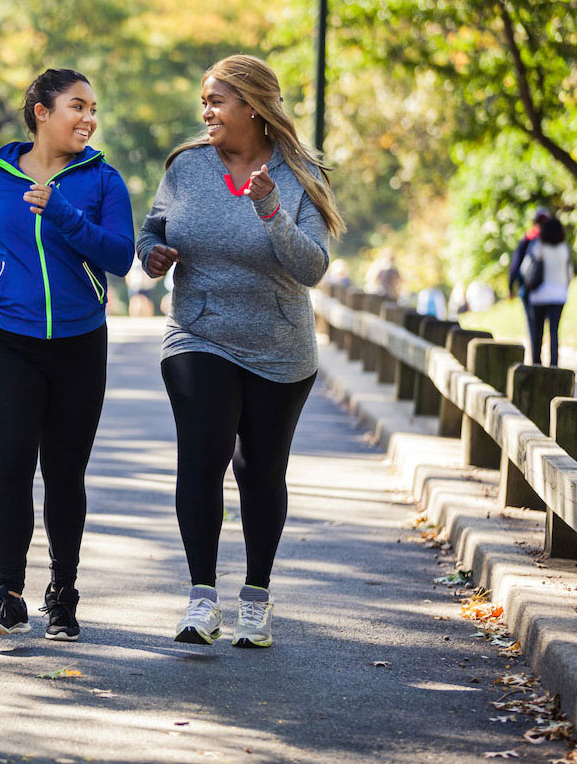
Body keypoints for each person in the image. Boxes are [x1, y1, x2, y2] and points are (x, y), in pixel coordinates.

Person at [138, 54, 345, 648]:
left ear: (252, 106)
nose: (206, 111)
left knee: (259, 470)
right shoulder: (187, 166)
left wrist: (272, 210)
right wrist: (151, 253)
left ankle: (255, 597)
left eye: (217, 101)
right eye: (203, 100)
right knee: (201, 455)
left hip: (278, 345)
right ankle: (201, 598)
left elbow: (312, 269)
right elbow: (154, 228)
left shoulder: (302, 173)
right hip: (197, 332)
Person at [0, 69, 134, 640]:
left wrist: (64, 214)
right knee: (12, 469)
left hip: (79, 343)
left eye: (94, 108)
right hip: (6, 341)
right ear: (42, 112)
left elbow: (120, 257)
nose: (89, 118)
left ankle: (63, 595)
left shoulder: (102, 180)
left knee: (66, 475)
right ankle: (8, 594)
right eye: (78, 105)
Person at [527, 216, 572, 366]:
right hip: (559, 295)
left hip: (539, 295)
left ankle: (536, 364)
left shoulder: (539, 246)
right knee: (554, 332)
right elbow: (569, 274)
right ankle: (554, 364)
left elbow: (526, 268)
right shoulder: (564, 248)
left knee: (537, 333)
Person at [509, 207, 551, 354]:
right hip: (548, 290)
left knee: (533, 325)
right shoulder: (554, 239)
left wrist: (511, 286)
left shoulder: (528, 239)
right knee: (545, 326)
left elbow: (515, 265)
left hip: (529, 289)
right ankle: (543, 359)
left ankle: (535, 358)